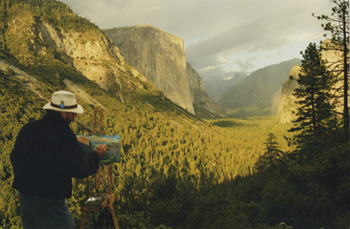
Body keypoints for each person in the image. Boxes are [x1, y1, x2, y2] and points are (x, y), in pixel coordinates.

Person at [10, 90, 107, 229]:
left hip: (26, 198)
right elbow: (80, 169)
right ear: (62, 113)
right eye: (73, 113)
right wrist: (96, 155)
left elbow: (15, 157)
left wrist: (24, 182)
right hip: (50, 200)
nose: (74, 117)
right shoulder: (62, 134)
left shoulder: (29, 128)